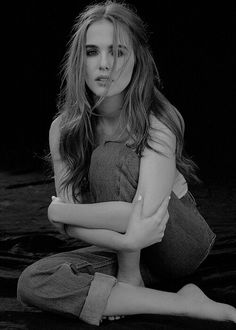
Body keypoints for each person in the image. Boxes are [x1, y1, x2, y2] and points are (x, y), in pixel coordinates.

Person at [17, 0, 236, 326]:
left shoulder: (159, 121)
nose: (104, 64)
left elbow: (141, 219)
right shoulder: (63, 128)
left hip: (175, 242)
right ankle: (185, 303)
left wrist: (58, 212)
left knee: (109, 158)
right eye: (92, 52)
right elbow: (86, 226)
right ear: (80, 61)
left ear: (137, 60)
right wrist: (124, 241)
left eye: (118, 52)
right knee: (33, 282)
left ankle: (131, 282)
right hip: (122, 242)